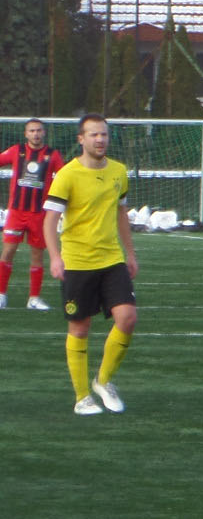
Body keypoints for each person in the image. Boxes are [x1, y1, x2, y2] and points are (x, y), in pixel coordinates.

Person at [42, 115, 137, 415]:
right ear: (81, 139)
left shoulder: (119, 171)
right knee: (80, 327)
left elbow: (121, 213)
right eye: (94, 134)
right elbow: (50, 221)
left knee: (127, 318)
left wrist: (130, 254)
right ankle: (82, 397)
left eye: (104, 134)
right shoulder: (67, 175)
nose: (100, 139)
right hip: (78, 262)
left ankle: (103, 381)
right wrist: (55, 257)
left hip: (112, 259)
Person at [1, 118, 66, 310]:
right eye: (32, 131)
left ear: (44, 133)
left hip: (39, 214)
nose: (35, 134)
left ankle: (34, 298)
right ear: (26, 134)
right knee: (8, 252)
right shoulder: (16, 151)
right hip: (16, 212)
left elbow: (65, 176)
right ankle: (1, 294)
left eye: (38, 130)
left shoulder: (52, 155)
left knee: (37, 255)